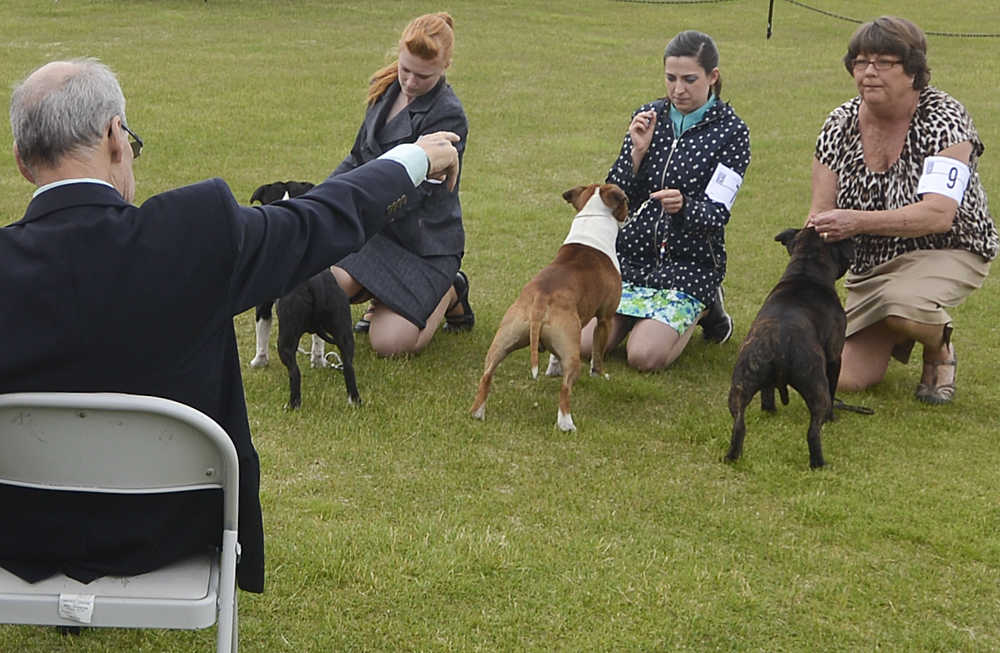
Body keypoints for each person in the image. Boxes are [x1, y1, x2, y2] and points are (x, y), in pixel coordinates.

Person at [0, 57, 460, 593]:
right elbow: (319, 218)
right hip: (177, 531)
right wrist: (411, 158)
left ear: (22, 162)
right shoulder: (196, 234)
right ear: (114, 137)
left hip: (19, 536)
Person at [808, 16, 998, 404]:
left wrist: (857, 221)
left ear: (913, 70)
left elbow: (938, 215)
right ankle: (898, 327)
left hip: (946, 247)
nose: (869, 72)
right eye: (861, 62)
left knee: (904, 307)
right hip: (870, 264)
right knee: (841, 376)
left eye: (884, 62)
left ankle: (937, 345)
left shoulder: (944, 119)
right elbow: (820, 216)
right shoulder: (838, 124)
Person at [581, 30, 750, 371]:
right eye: (670, 78)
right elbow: (613, 194)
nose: (677, 90)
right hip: (632, 258)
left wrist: (685, 205)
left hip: (688, 266)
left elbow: (717, 213)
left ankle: (707, 305)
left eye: (689, 79)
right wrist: (637, 154)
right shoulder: (648, 116)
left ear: (712, 77)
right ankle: (638, 317)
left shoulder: (733, 132)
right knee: (586, 345)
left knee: (644, 357)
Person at [331, 12, 473, 356]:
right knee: (329, 285)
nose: (409, 82)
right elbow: (357, 157)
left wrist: (357, 204)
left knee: (390, 345)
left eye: (422, 76)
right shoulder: (384, 90)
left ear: (446, 65)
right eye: (404, 69)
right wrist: (323, 198)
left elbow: (414, 192)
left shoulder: (449, 116)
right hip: (376, 228)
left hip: (422, 245)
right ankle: (378, 294)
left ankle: (452, 291)